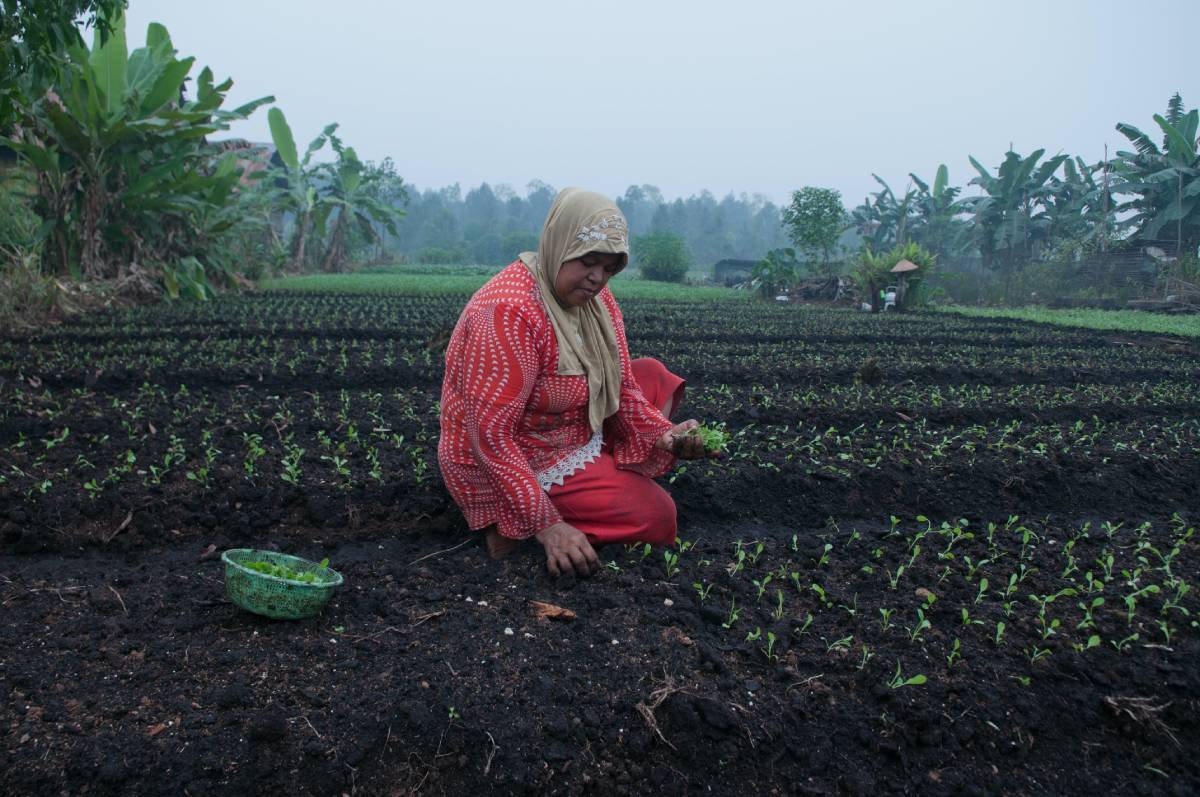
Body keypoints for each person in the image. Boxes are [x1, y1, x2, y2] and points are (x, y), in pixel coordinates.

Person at [438, 187, 714, 577]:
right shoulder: (508, 312)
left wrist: (664, 435)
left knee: (651, 375)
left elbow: (624, 387)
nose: (597, 278)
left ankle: (602, 477)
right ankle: (507, 525)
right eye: (588, 262)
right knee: (657, 517)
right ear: (559, 245)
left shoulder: (597, 300)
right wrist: (547, 525)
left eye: (610, 268)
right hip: (515, 452)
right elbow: (491, 437)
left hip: (570, 426)